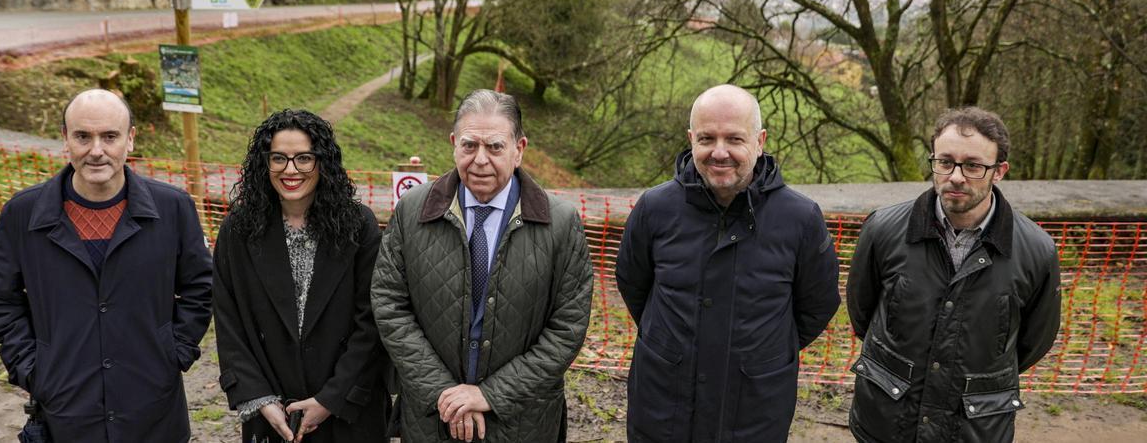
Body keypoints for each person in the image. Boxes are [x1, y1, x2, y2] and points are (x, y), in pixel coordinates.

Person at [0, 88, 213, 442]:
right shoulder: (23, 215)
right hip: (66, 412)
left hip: (153, 411)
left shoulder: (173, 209)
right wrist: (33, 368)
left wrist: (173, 351)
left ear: (130, 139)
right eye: (83, 137)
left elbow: (201, 287)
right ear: (65, 140)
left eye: (110, 136)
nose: (97, 150)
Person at [616, 84, 841, 442]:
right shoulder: (655, 208)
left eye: (734, 139)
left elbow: (818, 304)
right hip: (663, 402)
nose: (719, 153)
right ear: (691, 139)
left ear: (760, 140)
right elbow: (634, 284)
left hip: (754, 407)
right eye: (707, 138)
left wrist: (761, 350)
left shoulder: (800, 218)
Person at [372, 89, 593, 443]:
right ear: (453, 144)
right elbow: (389, 304)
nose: (480, 160)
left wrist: (491, 395)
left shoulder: (561, 223)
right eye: (469, 145)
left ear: (519, 149)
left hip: (522, 422)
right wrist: (446, 394)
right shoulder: (412, 211)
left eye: (495, 147)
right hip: (432, 418)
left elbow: (567, 328)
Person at [846, 107, 1061, 443]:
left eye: (973, 165)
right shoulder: (883, 230)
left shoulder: (1037, 251)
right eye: (945, 162)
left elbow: (1034, 340)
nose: (956, 176)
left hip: (973, 429)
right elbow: (863, 313)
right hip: (888, 421)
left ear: (999, 170)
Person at [213, 109, 389, 443]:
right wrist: (260, 398)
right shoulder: (238, 229)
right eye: (278, 158)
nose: (290, 170)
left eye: (304, 158)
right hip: (274, 413)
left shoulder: (358, 226)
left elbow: (373, 320)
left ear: (323, 162)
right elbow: (228, 318)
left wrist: (330, 399)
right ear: (264, 163)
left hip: (348, 412)